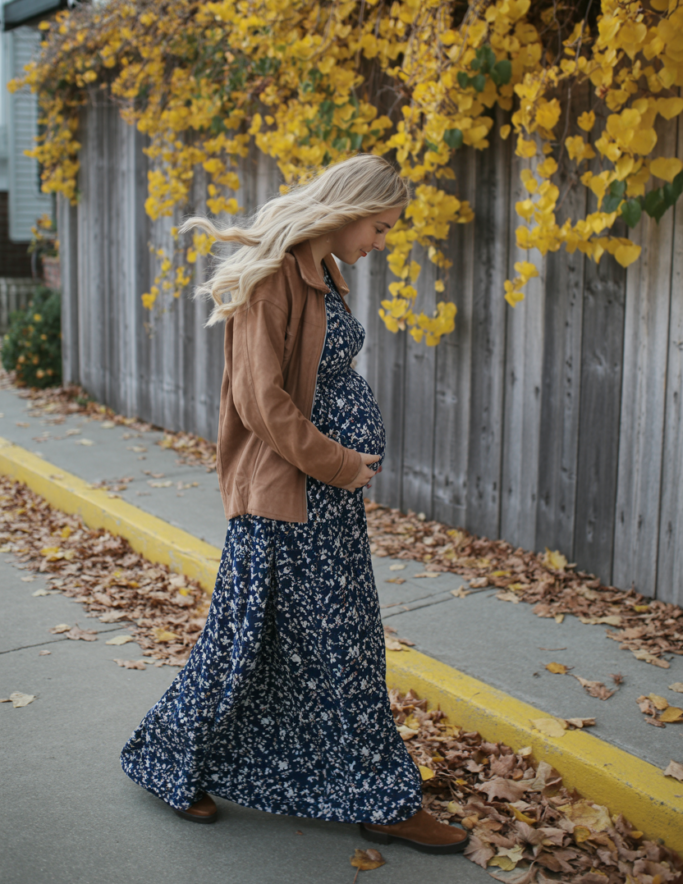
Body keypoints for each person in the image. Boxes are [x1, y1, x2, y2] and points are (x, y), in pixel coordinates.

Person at [120, 154, 468, 855]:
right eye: (380, 225)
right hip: (290, 500)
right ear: (346, 211)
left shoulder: (324, 272)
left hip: (322, 501)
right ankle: (378, 798)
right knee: (293, 647)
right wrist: (339, 463)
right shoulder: (274, 276)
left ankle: (369, 786)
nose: (382, 240)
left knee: (312, 649)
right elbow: (259, 400)